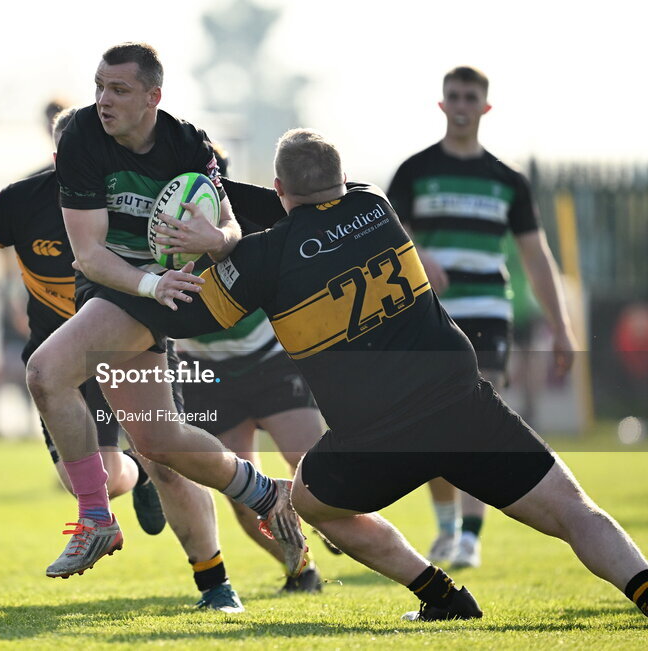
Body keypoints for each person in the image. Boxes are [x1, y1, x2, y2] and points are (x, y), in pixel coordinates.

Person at [99, 127, 648, 621]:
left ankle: (440, 595)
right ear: (341, 178)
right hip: (460, 405)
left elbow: (189, 311)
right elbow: (309, 219)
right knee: (576, 513)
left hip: (374, 437)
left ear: (278, 188)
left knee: (309, 503)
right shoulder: (375, 204)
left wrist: (206, 247)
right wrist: (227, 240)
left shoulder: (264, 260)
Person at [24, 43, 308, 601]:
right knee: (159, 439)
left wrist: (215, 240)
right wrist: (150, 283)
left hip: (167, 287)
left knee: (46, 372)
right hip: (120, 284)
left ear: (153, 97)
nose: (103, 100)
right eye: (99, 86)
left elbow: (227, 225)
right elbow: (87, 253)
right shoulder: (80, 135)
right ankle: (265, 493)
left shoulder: (186, 142)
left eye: (119, 90)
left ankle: (95, 519)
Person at [0, 106, 244, 612]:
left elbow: (205, 230)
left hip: (126, 338)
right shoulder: (24, 199)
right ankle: (135, 473)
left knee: (169, 459)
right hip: (59, 353)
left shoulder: (136, 197)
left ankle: (216, 582)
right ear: (63, 156)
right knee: (99, 474)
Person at [387, 66, 577, 569]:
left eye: (471, 96)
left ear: (485, 107)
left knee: (471, 419)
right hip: (430, 314)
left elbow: (538, 260)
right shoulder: (414, 171)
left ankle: (470, 535)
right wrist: (419, 257)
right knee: (432, 425)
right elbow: (386, 237)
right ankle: (448, 528)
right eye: (454, 95)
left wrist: (562, 327)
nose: (462, 103)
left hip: (489, 312)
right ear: (443, 104)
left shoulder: (507, 180)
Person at [177, 144, 328, 593]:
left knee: (315, 467)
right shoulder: (155, 229)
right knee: (244, 498)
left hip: (268, 357)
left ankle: (339, 522)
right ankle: (301, 569)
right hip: (209, 374)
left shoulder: (252, 216)